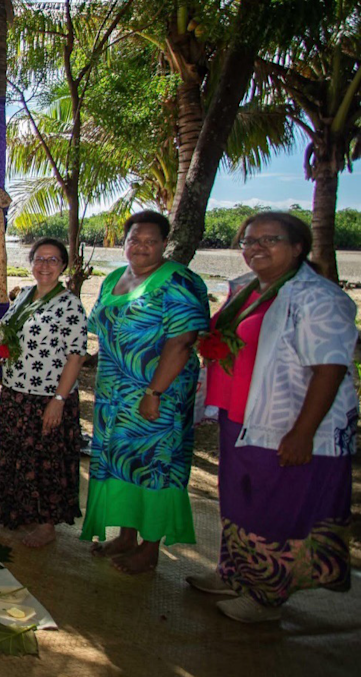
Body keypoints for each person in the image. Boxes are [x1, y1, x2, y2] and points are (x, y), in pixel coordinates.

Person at [187, 212, 357, 623]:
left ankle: (266, 595)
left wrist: (303, 432)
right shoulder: (247, 288)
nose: (256, 247)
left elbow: (330, 368)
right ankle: (234, 574)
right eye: (249, 241)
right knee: (240, 502)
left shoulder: (317, 297)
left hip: (284, 423)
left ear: (298, 247)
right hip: (238, 416)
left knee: (275, 508)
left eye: (270, 239)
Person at [80, 211, 209, 574]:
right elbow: (104, 330)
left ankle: (150, 548)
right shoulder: (113, 279)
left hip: (158, 394)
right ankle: (126, 536)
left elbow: (183, 341)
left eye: (151, 241)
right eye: (134, 239)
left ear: (165, 243)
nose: (141, 246)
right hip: (114, 395)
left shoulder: (179, 281)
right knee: (122, 463)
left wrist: (154, 391)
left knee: (155, 466)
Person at [0, 238, 87, 546]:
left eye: (53, 260)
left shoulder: (69, 303)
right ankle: (19, 513)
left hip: (47, 395)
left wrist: (59, 400)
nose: (45, 265)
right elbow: (7, 333)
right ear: (31, 263)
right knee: (17, 456)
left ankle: (46, 525)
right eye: (39, 259)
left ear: (63, 266)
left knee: (46, 461)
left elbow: (76, 355)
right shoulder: (25, 294)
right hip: (16, 391)